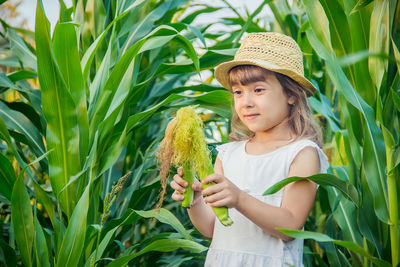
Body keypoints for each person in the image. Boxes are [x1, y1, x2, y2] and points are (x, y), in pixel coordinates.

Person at [169, 32, 329, 266]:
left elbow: (291, 225)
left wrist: (239, 199)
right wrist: (194, 200)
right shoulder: (228, 154)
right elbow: (214, 227)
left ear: (291, 95)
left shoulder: (301, 153)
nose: (246, 102)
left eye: (259, 90)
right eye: (238, 92)